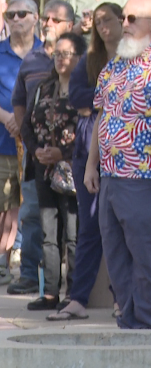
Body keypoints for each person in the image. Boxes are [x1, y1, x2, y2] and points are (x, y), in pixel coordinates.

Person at [84, 0, 151, 330]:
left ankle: (148, 324)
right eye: (123, 17)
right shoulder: (114, 65)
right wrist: (92, 165)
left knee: (145, 256)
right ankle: (128, 321)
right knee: (116, 256)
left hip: (146, 178)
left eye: (133, 18)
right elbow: (102, 119)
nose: (126, 24)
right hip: (111, 178)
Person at [53, 2, 123, 321]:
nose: (103, 26)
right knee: (89, 224)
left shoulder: (134, 56)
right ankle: (78, 298)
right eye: (97, 21)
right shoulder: (90, 59)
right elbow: (78, 97)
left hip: (124, 147)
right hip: (87, 146)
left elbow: (99, 100)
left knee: (121, 225)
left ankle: (123, 298)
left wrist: (100, 101)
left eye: (108, 19)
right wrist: (107, 97)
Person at [8, 0, 74, 296]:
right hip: (36, 155)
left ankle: (74, 288)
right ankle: (32, 279)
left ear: (70, 26)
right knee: (34, 214)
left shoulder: (81, 58)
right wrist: (30, 142)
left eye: (55, 20)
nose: (48, 24)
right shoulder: (32, 60)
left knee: (72, 225)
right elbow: (19, 101)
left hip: (73, 157)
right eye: (46, 19)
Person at [22, 33, 83, 311]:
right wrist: (36, 151)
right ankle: (50, 293)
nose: (61, 59)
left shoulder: (85, 88)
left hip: (74, 171)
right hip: (44, 170)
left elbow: (90, 130)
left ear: (79, 57)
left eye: (67, 54)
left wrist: (64, 154)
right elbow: (26, 126)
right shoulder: (42, 89)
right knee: (49, 233)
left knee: (72, 234)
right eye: (57, 54)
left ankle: (74, 292)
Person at [0, 0, 42, 288]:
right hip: (2, 141)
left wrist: (23, 119)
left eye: (22, 14)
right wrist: (7, 117)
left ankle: (29, 269)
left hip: (37, 145)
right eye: (11, 15)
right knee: (4, 205)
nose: (16, 19)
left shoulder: (47, 53)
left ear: (35, 17)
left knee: (30, 208)